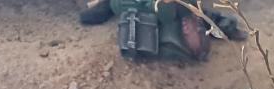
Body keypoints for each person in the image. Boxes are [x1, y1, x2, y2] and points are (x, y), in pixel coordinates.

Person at [79, 0, 236, 60]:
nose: (187, 28)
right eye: (199, 29)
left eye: (186, 33)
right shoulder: (189, 10)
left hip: (117, 4)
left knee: (89, 15)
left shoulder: (167, 14)